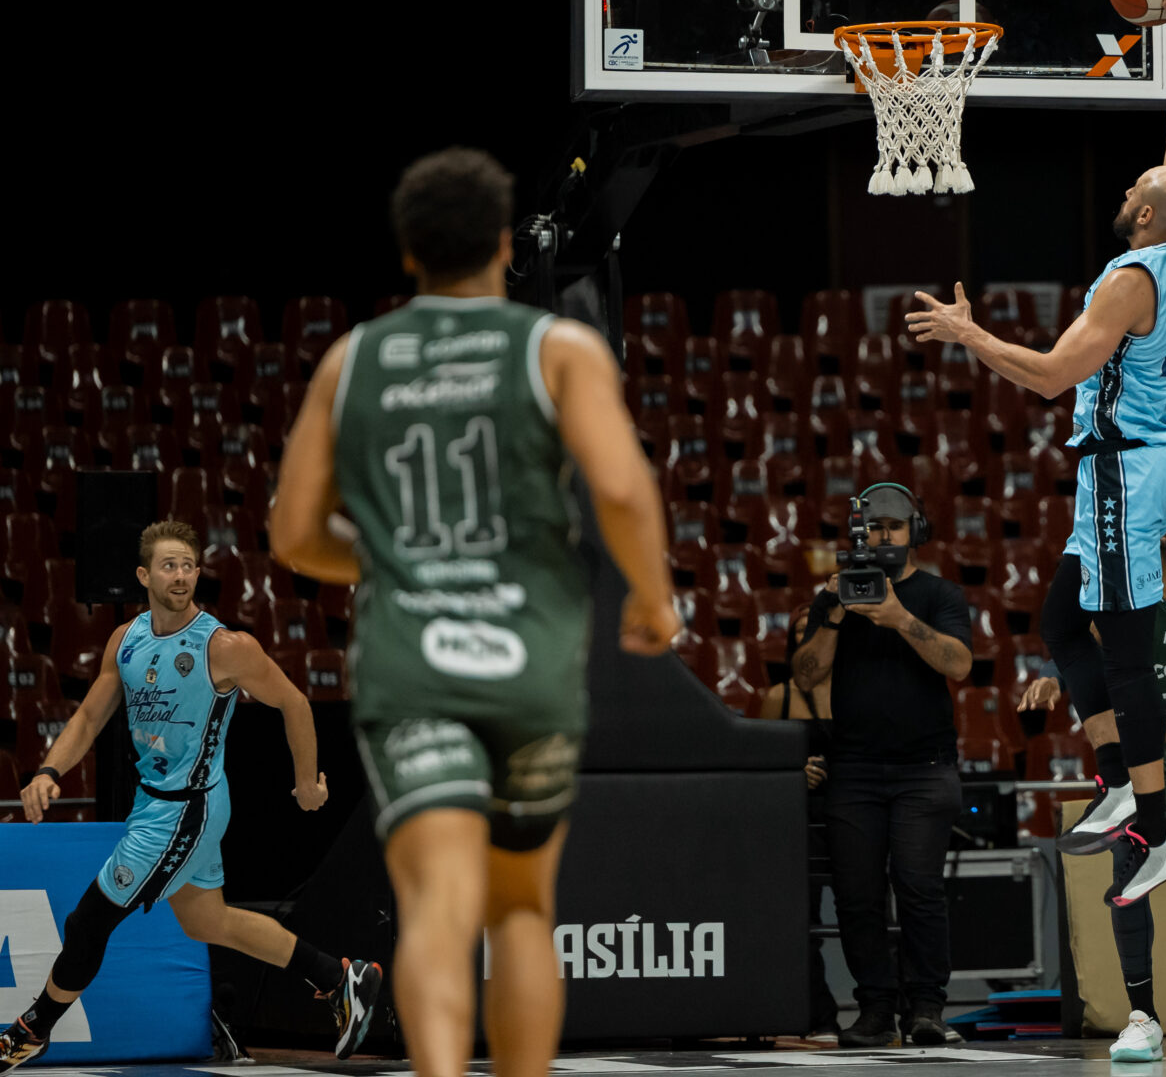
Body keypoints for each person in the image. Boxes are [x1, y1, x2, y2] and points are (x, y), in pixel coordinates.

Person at [270, 146, 683, 1077]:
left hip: (411, 665)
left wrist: (389, 555)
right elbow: (620, 488)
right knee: (521, 910)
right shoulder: (558, 349)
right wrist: (654, 601)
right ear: (505, 244)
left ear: (409, 253)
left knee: (435, 910)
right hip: (526, 666)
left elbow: (294, 533)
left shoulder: (353, 360)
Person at [908, 0, 1166, 909]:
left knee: (1122, 645)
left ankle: (1158, 832)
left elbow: (1046, 377)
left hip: (1129, 468)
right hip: (1126, 468)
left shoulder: (1130, 281)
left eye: (1136, 190)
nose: (1129, 186)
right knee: (1057, 621)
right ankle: (1121, 777)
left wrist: (967, 336)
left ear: (1148, 217)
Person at [0, 522, 383, 1072]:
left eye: (188, 565)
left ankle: (32, 1030)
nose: (180, 575)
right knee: (210, 923)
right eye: (169, 565)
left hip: (188, 809)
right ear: (144, 575)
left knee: (89, 923)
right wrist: (48, 770)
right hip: (155, 801)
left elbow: (295, 702)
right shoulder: (125, 639)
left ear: (198, 573)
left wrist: (305, 783)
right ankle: (339, 977)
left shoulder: (224, 646)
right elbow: (88, 716)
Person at [1020, 479, 1166, 1060]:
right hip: (1144, 762)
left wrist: (1139, 739)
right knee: (1127, 883)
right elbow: (1089, 650)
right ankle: (1142, 1016)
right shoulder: (1129, 590)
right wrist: (1059, 676)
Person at [789, 483, 973, 1049]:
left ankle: (926, 1009)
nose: (883, 536)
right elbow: (805, 676)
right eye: (874, 527)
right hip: (855, 769)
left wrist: (896, 617)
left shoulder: (940, 594)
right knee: (857, 894)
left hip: (925, 766)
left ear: (915, 530)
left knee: (918, 888)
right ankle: (873, 1010)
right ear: (858, 533)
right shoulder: (834, 597)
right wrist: (838, 613)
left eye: (894, 526)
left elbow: (960, 664)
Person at [758, 604, 840, 1042]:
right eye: (803, 631)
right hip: (799, 820)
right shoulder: (780, 696)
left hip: (852, 814)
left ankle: (886, 1015)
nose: (812, 638)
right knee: (803, 924)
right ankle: (820, 1017)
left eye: (821, 628)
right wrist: (793, 772)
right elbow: (761, 768)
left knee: (873, 920)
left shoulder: (856, 691)